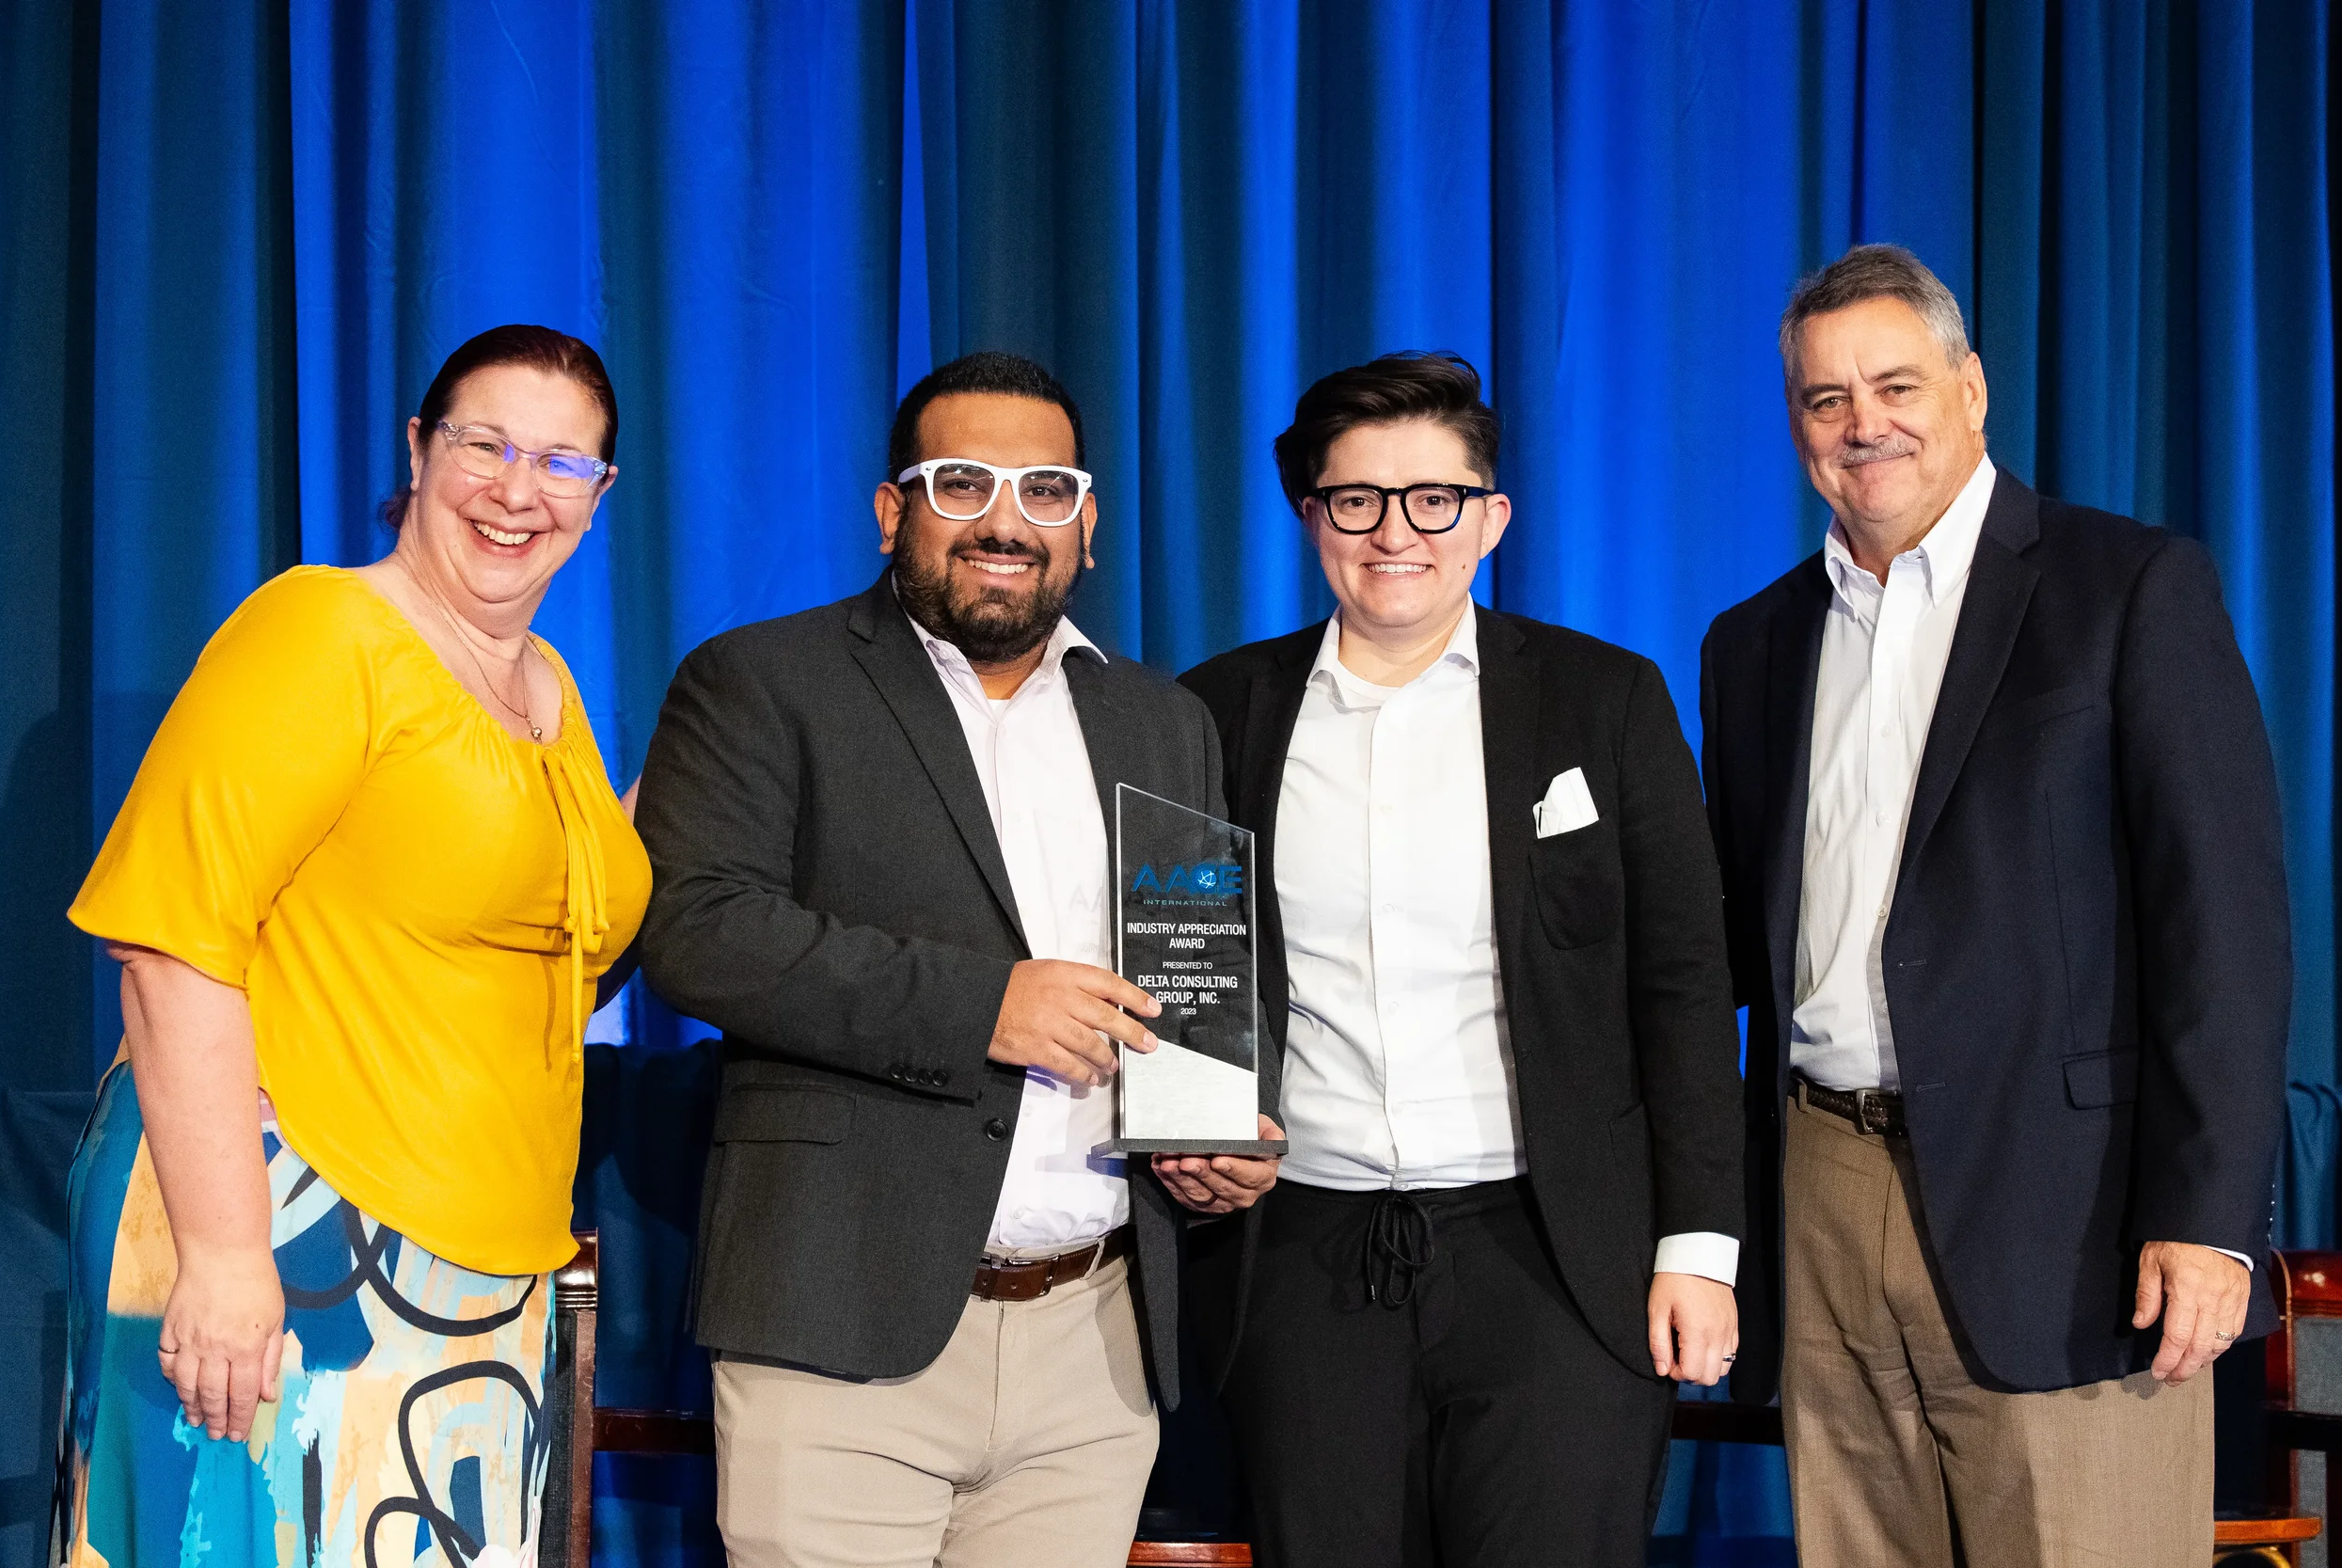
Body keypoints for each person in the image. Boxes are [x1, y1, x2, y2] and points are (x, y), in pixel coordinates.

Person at [635, 351, 1280, 1568]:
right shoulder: (762, 681)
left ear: (1086, 526)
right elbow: (696, 926)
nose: (1004, 519)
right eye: (962, 482)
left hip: (1094, 1344)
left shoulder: (1162, 719)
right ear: (894, 512)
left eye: (1044, 489)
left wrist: (1232, 1125)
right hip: (837, 1317)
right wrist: (984, 1005)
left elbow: (1209, 966)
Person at [1700, 244, 2290, 1567]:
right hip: (1824, 1184)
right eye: (1825, 398)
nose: (1865, 424)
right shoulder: (1753, 643)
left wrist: (2207, 1217)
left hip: (2070, 1213)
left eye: (1896, 383)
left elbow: (2226, 929)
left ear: (1971, 388)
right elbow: (1735, 942)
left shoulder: (2129, 588)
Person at [60, 325, 649, 1565]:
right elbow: (171, 942)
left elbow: (531, 939)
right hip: (291, 1222)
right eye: (486, 443)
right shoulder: (320, 630)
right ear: (420, 450)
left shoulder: (546, 686)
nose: (516, 488)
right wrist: (225, 1254)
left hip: (484, 1261)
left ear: (600, 498)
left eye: (560, 461)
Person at [1177, 352, 1744, 1567]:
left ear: (1491, 517)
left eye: (1434, 497)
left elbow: (1685, 987)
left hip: (1554, 1251)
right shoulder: (1217, 711)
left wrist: (1698, 1248)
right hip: (1299, 1258)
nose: (1397, 531)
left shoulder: (1605, 697)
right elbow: (1182, 967)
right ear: (1309, 515)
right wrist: (1183, 1130)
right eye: (1358, 498)